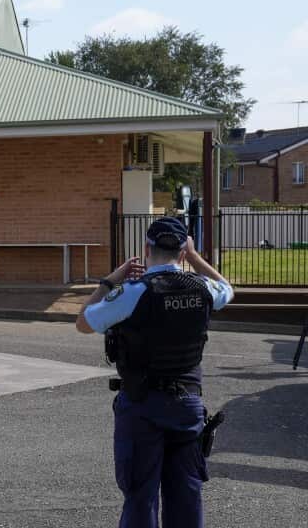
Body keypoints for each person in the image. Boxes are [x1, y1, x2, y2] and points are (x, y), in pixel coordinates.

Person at [77, 216, 234, 528]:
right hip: (187, 403)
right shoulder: (201, 288)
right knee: (186, 495)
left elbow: (83, 322)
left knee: (140, 495)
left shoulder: (134, 291)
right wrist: (196, 258)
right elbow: (228, 288)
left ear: (147, 248)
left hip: (142, 404)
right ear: (182, 251)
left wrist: (111, 280)